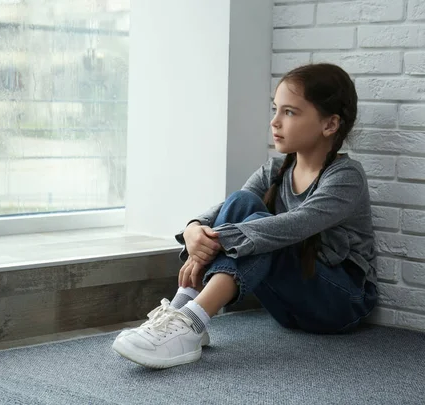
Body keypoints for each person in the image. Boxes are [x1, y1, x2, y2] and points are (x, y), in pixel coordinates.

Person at [112, 63, 379, 369]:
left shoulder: (346, 177)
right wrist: (194, 229)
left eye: (290, 112)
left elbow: (296, 226)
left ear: (330, 124)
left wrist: (217, 242)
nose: (275, 122)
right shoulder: (275, 170)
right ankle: (183, 314)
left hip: (341, 304)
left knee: (261, 231)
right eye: (275, 109)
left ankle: (190, 323)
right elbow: (227, 210)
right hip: (289, 308)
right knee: (242, 202)